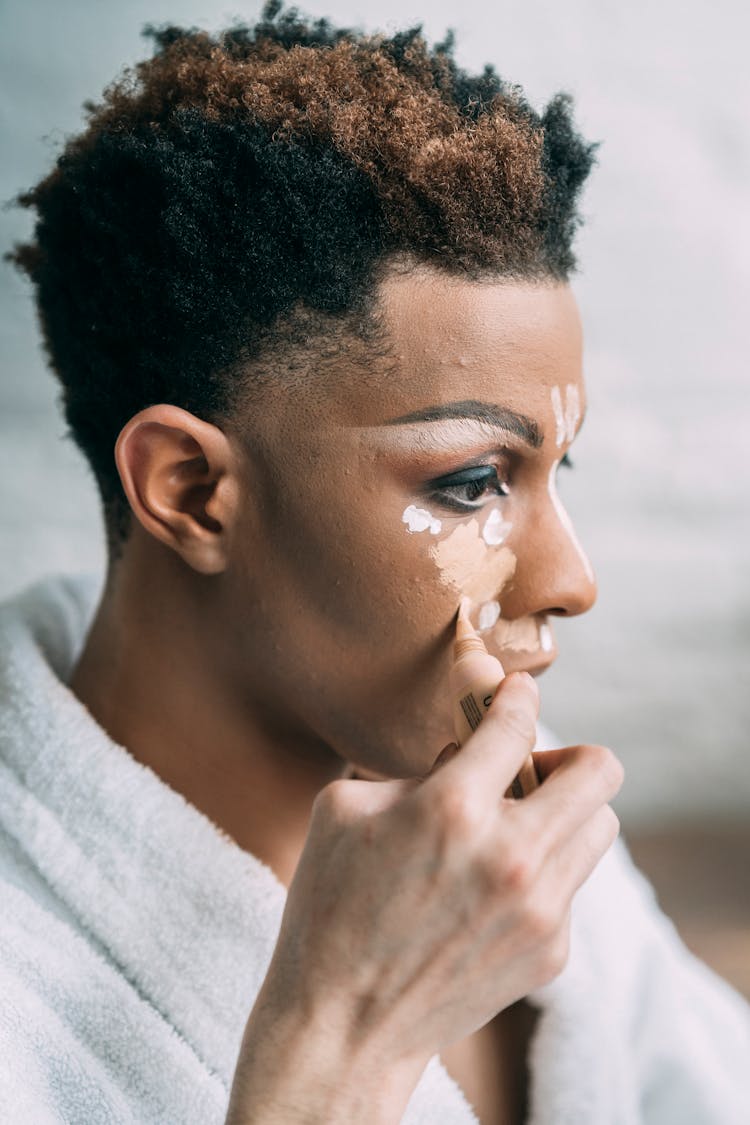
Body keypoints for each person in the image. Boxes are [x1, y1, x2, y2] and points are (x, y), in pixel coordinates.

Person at [1, 4, 748, 1123]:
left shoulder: (498, 834)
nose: (573, 581)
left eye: (560, 474)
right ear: (191, 492)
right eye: (471, 483)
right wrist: (340, 1046)